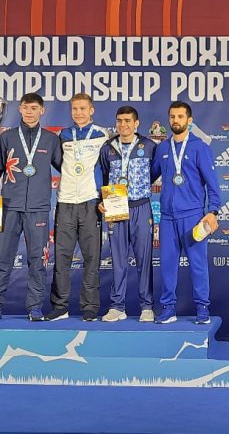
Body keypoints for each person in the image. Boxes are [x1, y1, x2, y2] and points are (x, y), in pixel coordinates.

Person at [0, 92, 62, 322]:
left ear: (42, 110)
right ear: (20, 110)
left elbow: (67, 168)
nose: (29, 111)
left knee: (38, 261)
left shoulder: (52, 140)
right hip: (9, 207)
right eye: (26, 107)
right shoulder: (6, 138)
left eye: (34, 108)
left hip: (38, 209)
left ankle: (35, 307)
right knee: (1, 259)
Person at [150, 101, 221, 324]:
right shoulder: (162, 148)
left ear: (189, 121)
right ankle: (168, 308)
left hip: (193, 216)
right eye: (172, 116)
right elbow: (147, 179)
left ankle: (202, 309)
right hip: (168, 217)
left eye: (180, 117)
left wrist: (214, 211)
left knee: (198, 264)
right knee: (167, 265)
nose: (175, 121)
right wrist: (121, 194)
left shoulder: (200, 147)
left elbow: (213, 185)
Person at [46, 93, 108, 322]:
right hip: (66, 201)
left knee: (92, 256)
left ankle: (90, 306)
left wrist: (104, 198)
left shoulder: (102, 135)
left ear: (91, 110)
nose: (78, 113)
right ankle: (60, 306)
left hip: (91, 201)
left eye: (83, 108)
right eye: (74, 109)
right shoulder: (63, 135)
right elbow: (58, 162)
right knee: (62, 256)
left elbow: (107, 167)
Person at [97, 106, 158, 322]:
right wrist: (101, 201)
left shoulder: (149, 146)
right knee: (118, 259)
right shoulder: (108, 148)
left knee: (144, 258)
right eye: (120, 121)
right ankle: (117, 306)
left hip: (141, 206)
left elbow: (156, 171)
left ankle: (147, 307)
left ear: (136, 123)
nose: (123, 125)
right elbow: (102, 175)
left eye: (127, 121)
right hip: (116, 205)